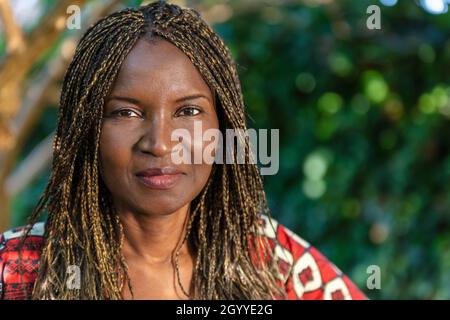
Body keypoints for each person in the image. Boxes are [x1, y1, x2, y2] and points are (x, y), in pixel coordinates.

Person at [0, 1, 366, 300]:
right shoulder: (16, 270)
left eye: (188, 111)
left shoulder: (271, 261)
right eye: (125, 112)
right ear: (87, 131)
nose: (159, 143)